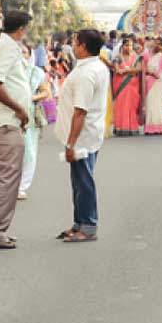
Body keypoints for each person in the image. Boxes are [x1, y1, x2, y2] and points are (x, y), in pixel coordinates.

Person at [54, 30, 109, 244]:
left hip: (82, 136)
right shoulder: (95, 67)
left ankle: (88, 225)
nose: (73, 46)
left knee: (84, 181)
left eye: (75, 43)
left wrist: (71, 143)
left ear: (83, 46)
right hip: (88, 133)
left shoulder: (87, 73)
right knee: (78, 180)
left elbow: (80, 111)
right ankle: (79, 222)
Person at [0, 11, 32, 249]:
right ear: (22, 29)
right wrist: (19, 109)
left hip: (0, 119)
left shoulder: (0, 46)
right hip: (5, 120)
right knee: (8, 176)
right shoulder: (8, 47)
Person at [18, 44, 50, 200]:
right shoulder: (9, 73)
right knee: (12, 152)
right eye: (18, 52)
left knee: (29, 152)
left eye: (24, 52)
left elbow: (46, 92)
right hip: (10, 115)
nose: (21, 55)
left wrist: (31, 97)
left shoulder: (37, 73)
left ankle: (23, 186)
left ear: (30, 55)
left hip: (30, 116)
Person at [111, 37, 142, 136]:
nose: (129, 48)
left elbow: (137, 69)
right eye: (127, 45)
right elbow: (116, 70)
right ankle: (120, 127)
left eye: (131, 45)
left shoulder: (136, 57)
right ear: (122, 46)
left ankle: (132, 127)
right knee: (121, 105)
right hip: (121, 86)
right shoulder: (118, 57)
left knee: (132, 106)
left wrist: (124, 71)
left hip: (133, 86)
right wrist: (128, 70)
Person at [142, 38, 162, 134]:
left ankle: (159, 128)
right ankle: (149, 128)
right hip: (150, 80)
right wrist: (151, 73)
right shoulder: (146, 54)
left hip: (160, 81)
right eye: (155, 43)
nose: (156, 46)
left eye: (159, 44)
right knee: (150, 104)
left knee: (159, 104)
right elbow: (142, 69)